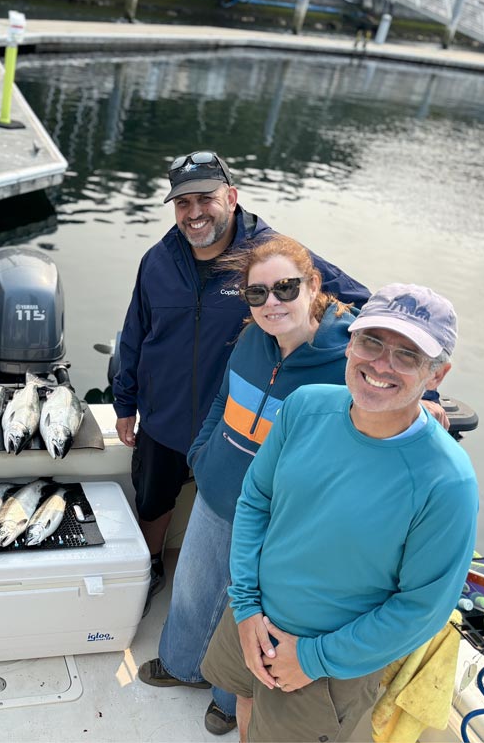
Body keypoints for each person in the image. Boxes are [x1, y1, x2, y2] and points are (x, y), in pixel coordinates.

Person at [200, 283, 478, 743]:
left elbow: (421, 609)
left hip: (328, 663)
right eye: (372, 341)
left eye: (408, 356)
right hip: (251, 616)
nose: (381, 365)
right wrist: (246, 606)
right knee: (244, 698)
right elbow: (256, 501)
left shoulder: (448, 482)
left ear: (438, 375)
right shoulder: (304, 405)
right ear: (351, 341)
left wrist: (311, 658)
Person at [112, 150, 369, 612]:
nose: (193, 214)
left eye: (205, 199)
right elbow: (135, 331)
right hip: (164, 415)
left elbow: (361, 305)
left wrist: (413, 391)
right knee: (152, 500)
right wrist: (125, 402)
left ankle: (236, 599)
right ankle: (150, 566)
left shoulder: (272, 259)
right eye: (182, 203)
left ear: (231, 196)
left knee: (240, 517)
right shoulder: (157, 261)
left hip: (237, 422)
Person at [138, 234, 357, 736]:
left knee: (249, 611)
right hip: (216, 492)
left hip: (278, 520)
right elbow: (221, 400)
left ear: (313, 284)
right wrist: (202, 454)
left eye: (284, 288)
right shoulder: (249, 337)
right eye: (257, 294)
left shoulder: (348, 362)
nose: (271, 303)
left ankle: (223, 694)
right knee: (192, 594)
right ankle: (180, 664)